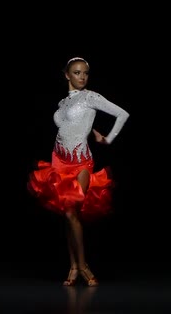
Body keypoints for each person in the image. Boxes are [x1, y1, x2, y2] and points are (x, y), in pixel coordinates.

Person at [27, 57, 130, 287]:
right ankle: (73, 266)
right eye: (76, 72)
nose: (82, 77)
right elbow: (72, 123)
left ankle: (83, 265)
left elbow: (122, 114)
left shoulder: (90, 97)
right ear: (67, 75)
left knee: (72, 210)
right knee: (66, 214)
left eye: (85, 73)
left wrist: (108, 138)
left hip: (81, 161)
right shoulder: (63, 103)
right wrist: (92, 128)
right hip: (58, 160)